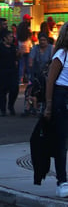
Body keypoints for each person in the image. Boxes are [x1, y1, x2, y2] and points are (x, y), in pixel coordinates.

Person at [44, 21, 68, 198]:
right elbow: (50, 80)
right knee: (62, 141)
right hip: (61, 95)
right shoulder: (61, 54)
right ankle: (62, 180)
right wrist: (49, 104)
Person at [0, 30, 19, 116]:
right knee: (2, 91)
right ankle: (3, 109)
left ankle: (11, 105)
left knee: (14, 89)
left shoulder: (13, 47)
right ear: (5, 38)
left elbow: (16, 59)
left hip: (12, 71)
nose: (12, 38)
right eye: (10, 37)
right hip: (2, 72)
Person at [16, 14, 33, 84]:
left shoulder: (19, 27)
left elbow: (17, 37)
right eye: (28, 19)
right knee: (29, 64)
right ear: (26, 19)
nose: (29, 20)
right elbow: (31, 37)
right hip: (28, 47)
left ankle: (20, 79)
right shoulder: (28, 28)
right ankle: (29, 79)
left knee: (21, 64)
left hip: (20, 47)